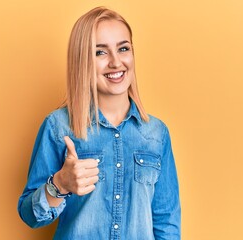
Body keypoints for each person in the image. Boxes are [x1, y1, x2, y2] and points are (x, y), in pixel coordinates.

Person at [18, 6, 181, 240]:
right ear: (82, 60)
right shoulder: (58, 127)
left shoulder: (156, 134)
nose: (116, 62)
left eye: (123, 48)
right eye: (100, 53)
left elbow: (166, 223)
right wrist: (59, 184)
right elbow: (30, 216)